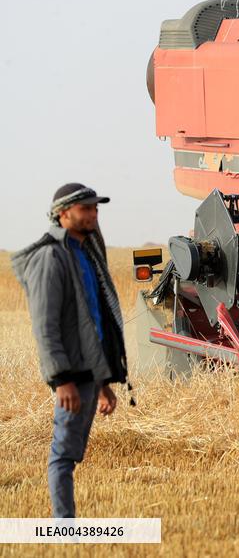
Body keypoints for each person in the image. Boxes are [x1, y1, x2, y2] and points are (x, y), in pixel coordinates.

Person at [12, 182, 132, 518]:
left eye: (95, 208)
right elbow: (45, 326)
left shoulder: (86, 255)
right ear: (63, 214)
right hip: (71, 375)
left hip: (89, 373)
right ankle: (64, 526)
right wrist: (61, 379)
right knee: (63, 454)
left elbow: (92, 323)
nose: (93, 214)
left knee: (72, 452)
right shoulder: (51, 258)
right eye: (85, 208)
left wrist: (104, 382)